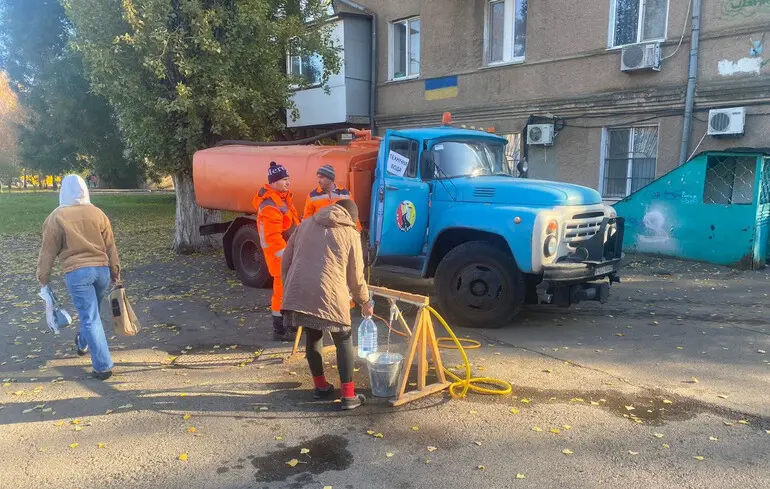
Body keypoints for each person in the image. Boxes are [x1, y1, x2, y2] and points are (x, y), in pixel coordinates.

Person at [281, 199, 373, 410]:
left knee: (313, 334)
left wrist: (289, 288)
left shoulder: (305, 224)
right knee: (343, 337)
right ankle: (349, 396)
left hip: (300, 291)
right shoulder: (350, 233)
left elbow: (285, 259)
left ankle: (320, 387)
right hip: (330, 295)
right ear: (352, 217)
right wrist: (365, 301)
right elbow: (356, 277)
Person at [36, 174, 120, 380]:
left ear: (63, 191)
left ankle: (103, 366)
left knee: (89, 317)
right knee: (91, 315)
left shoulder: (57, 216)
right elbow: (110, 245)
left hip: (77, 272)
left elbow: (48, 251)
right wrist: (115, 270)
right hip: (101, 271)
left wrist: (43, 276)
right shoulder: (98, 213)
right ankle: (82, 342)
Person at [253, 161, 300, 341]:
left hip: (286, 253)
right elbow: (273, 238)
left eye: (288, 179)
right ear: (273, 182)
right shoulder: (271, 205)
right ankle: (280, 330)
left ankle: (288, 326)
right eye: (284, 179)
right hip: (280, 257)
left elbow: (292, 226)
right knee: (281, 293)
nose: (288, 182)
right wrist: (288, 256)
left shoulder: (282, 199)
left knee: (287, 291)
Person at [303, 164, 362, 231]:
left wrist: (358, 231)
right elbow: (307, 218)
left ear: (330, 178)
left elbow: (353, 215)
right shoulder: (312, 196)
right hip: (321, 235)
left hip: (341, 234)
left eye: (321, 177)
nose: (318, 181)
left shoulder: (346, 194)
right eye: (318, 177)